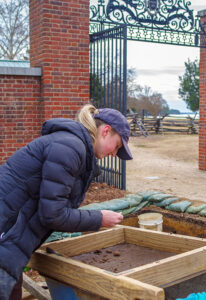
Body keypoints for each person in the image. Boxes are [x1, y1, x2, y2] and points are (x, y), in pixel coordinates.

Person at [0, 104, 132, 300]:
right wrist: (99, 218)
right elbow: (52, 214)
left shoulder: (71, 145)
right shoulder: (70, 148)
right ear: (105, 131)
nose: (114, 154)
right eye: (117, 146)